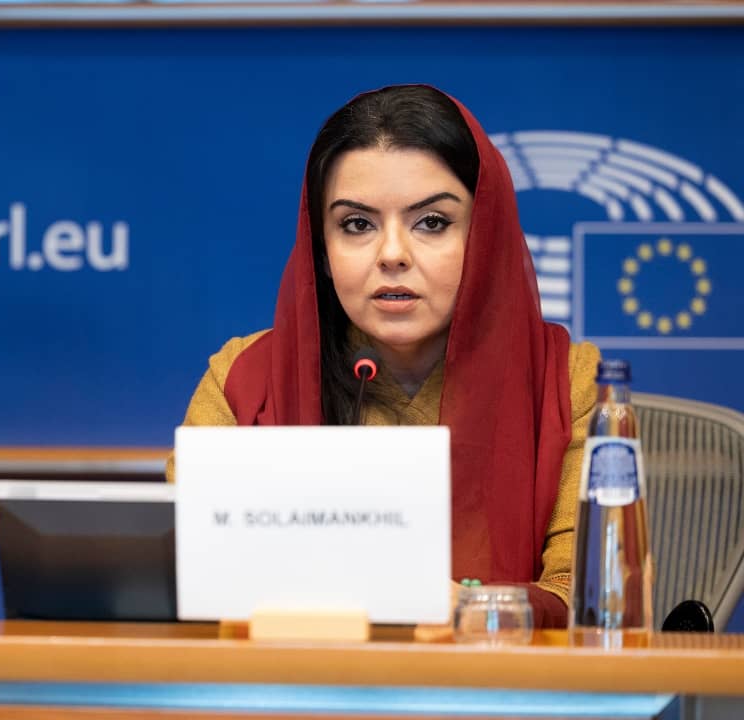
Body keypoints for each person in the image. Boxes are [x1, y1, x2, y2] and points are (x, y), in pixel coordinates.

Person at [173, 85, 599, 628]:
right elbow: (193, 577)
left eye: (432, 223)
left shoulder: (566, 381)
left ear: (485, 235)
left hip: (497, 678)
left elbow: (586, 592)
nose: (393, 254)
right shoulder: (244, 380)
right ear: (321, 249)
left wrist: (474, 610)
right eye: (357, 225)